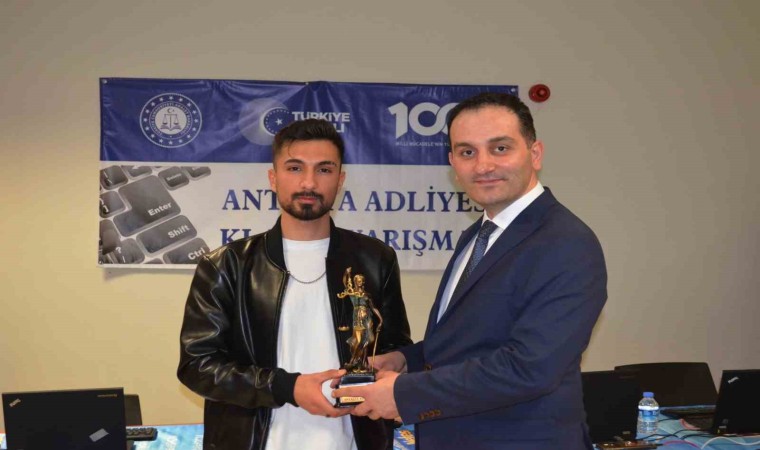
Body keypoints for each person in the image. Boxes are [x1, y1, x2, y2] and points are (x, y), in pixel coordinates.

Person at [334, 92, 607, 450]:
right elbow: (467, 341)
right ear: (452, 162)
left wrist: (403, 393)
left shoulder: (566, 242)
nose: (483, 166)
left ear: (535, 153)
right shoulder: (477, 235)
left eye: (500, 148)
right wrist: (405, 360)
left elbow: (530, 368)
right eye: (467, 152)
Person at [177, 118, 412, 450]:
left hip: (352, 441)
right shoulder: (226, 265)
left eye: (324, 169)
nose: (309, 182)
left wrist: (392, 369)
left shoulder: (375, 260)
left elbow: (395, 349)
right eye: (294, 168)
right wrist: (287, 387)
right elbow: (197, 366)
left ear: (340, 179)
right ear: (273, 178)